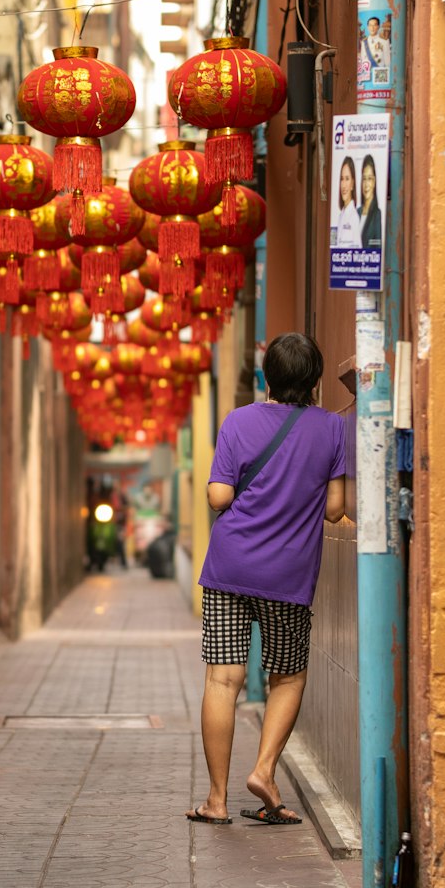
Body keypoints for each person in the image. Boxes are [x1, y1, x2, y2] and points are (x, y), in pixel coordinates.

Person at [187, 333, 346, 826]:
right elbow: (337, 510)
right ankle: (264, 773)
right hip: (288, 573)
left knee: (223, 679)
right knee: (288, 676)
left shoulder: (239, 421)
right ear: (316, 380)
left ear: (266, 377)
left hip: (231, 566)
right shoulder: (333, 430)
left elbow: (218, 497)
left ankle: (215, 801)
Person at [334, 156, 362, 247]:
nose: (344, 185)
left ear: (352, 184)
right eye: (342, 179)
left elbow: (358, 253)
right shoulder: (340, 216)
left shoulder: (355, 218)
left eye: (347, 179)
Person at [358, 154, 381, 248]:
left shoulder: (377, 215)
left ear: (374, 182)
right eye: (364, 179)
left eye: (370, 179)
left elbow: (378, 247)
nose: (366, 184)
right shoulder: (356, 212)